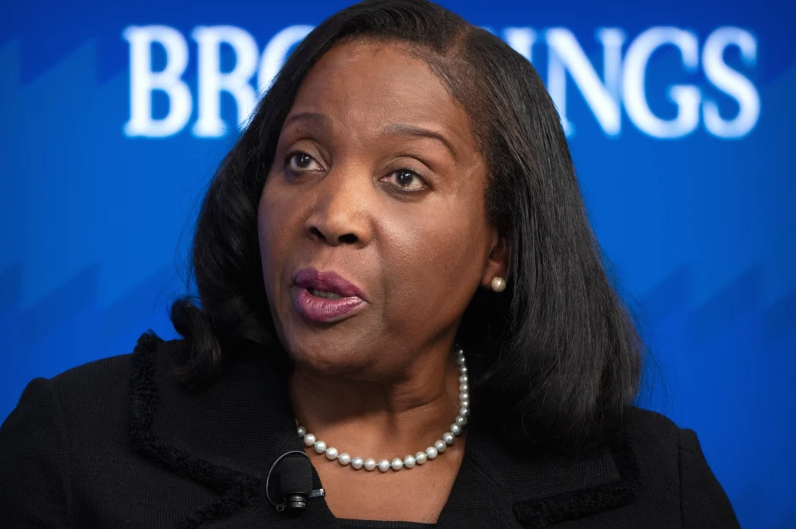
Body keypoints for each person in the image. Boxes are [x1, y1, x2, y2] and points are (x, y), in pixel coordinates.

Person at [0, 0, 740, 527]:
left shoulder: (655, 487)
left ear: (500, 246)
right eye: (302, 159)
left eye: (405, 177)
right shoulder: (78, 443)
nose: (331, 215)